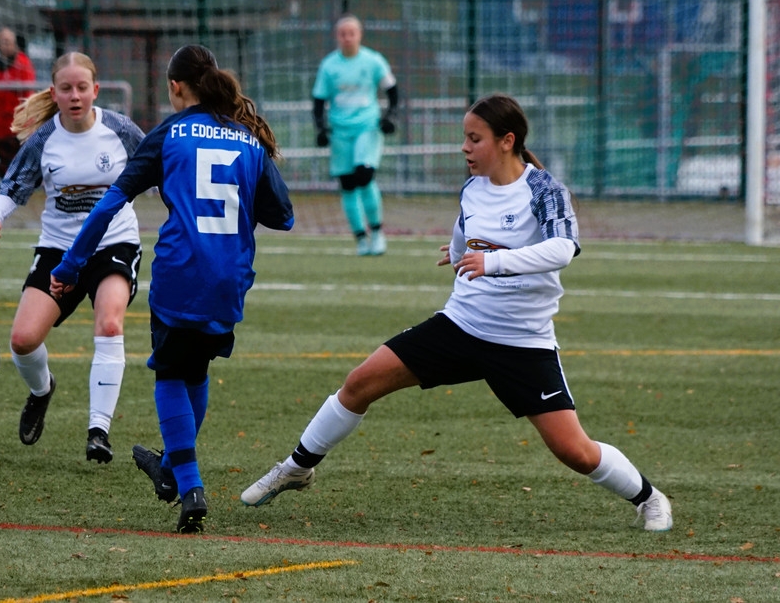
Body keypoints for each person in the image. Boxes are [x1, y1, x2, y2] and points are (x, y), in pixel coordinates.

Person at [241, 94, 673, 533]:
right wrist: (456, 252)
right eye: (464, 138)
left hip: (521, 342)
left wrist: (493, 262)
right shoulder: (472, 188)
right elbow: (465, 232)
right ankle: (296, 467)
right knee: (359, 383)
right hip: (461, 325)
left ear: (507, 141)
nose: (465, 148)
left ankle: (648, 497)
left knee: (574, 450)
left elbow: (563, 248)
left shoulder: (544, 189)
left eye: (474, 138)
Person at [50, 45, 294, 534]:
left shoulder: (170, 134)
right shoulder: (246, 138)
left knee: (167, 373)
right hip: (230, 278)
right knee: (194, 368)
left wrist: (72, 263)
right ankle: (173, 467)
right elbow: (283, 216)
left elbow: (109, 205)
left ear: (175, 87)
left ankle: (190, 485)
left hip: (182, 270)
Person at [0, 52, 146, 464]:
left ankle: (98, 431)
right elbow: (14, 185)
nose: (75, 96)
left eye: (82, 87)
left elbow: (160, 172)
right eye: (66, 89)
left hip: (114, 243)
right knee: (22, 340)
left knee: (109, 323)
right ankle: (41, 390)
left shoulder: (121, 131)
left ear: (96, 90)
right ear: (54, 92)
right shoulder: (44, 138)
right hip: (59, 249)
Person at [312, 14, 398, 256]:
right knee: (347, 184)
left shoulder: (373, 61)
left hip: (367, 127)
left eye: (352, 33)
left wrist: (390, 116)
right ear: (337, 37)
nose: (347, 37)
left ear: (359, 35)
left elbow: (392, 90)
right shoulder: (329, 65)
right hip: (340, 131)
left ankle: (378, 233)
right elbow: (318, 100)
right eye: (343, 33)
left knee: (365, 174)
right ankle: (361, 238)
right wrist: (320, 128)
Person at [0, 27, 36, 177]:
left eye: (7, 41)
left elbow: (28, 94)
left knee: (17, 164)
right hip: (1, 125)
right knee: (3, 165)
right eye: (0, 42)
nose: (4, 45)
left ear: (14, 43)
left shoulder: (22, 63)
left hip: (17, 124)